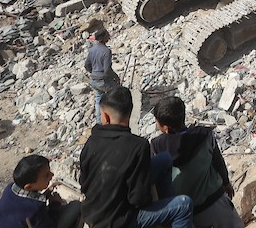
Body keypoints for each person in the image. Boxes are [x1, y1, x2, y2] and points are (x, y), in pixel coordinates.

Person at [79, 86, 193, 228]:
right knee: (184, 205)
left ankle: (167, 217)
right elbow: (138, 199)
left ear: (106, 117)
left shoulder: (92, 142)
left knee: (164, 159)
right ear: (130, 113)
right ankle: (169, 216)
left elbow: (84, 183)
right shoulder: (138, 146)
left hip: (93, 214)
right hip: (120, 222)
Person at [150, 96, 243, 228]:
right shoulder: (204, 135)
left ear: (166, 128)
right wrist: (226, 183)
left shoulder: (156, 147)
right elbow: (218, 161)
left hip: (186, 216)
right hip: (215, 203)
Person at [0, 155, 82, 228]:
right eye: (46, 175)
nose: (52, 175)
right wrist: (55, 204)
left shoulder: (10, 188)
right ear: (29, 186)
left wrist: (46, 194)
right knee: (76, 205)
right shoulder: (35, 209)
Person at [85, 28, 113, 124]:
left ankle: (99, 122)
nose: (109, 36)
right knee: (115, 95)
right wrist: (116, 77)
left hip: (94, 80)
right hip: (103, 81)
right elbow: (107, 70)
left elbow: (87, 65)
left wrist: (93, 73)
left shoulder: (92, 50)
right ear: (104, 37)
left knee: (98, 100)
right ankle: (114, 119)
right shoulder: (106, 51)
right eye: (107, 35)